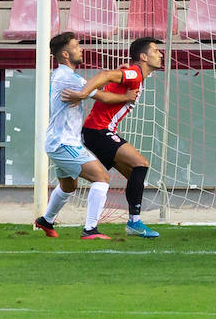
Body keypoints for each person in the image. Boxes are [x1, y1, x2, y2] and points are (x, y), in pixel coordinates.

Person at [66, 37, 164, 238]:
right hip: (98, 131)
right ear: (143, 57)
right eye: (155, 50)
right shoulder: (135, 73)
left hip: (96, 132)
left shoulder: (134, 74)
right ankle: (134, 223)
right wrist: (83, 94)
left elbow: (111, 85)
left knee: (135, 177)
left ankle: (48, 218)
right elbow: (106, 74)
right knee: (141, 164)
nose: (160, 54)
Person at [33, 32, 113, 240]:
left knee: (69, 186)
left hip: (58, 141)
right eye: (77, 46)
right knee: (101, 178)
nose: (81, 50)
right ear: (66, 54)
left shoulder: (66, 76)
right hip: (63, 142)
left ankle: (45, 221)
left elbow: (93, 89)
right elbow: (103, 96)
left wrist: (87, 92)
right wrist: (127, 96)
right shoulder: (68, 77)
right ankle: (90, 229)